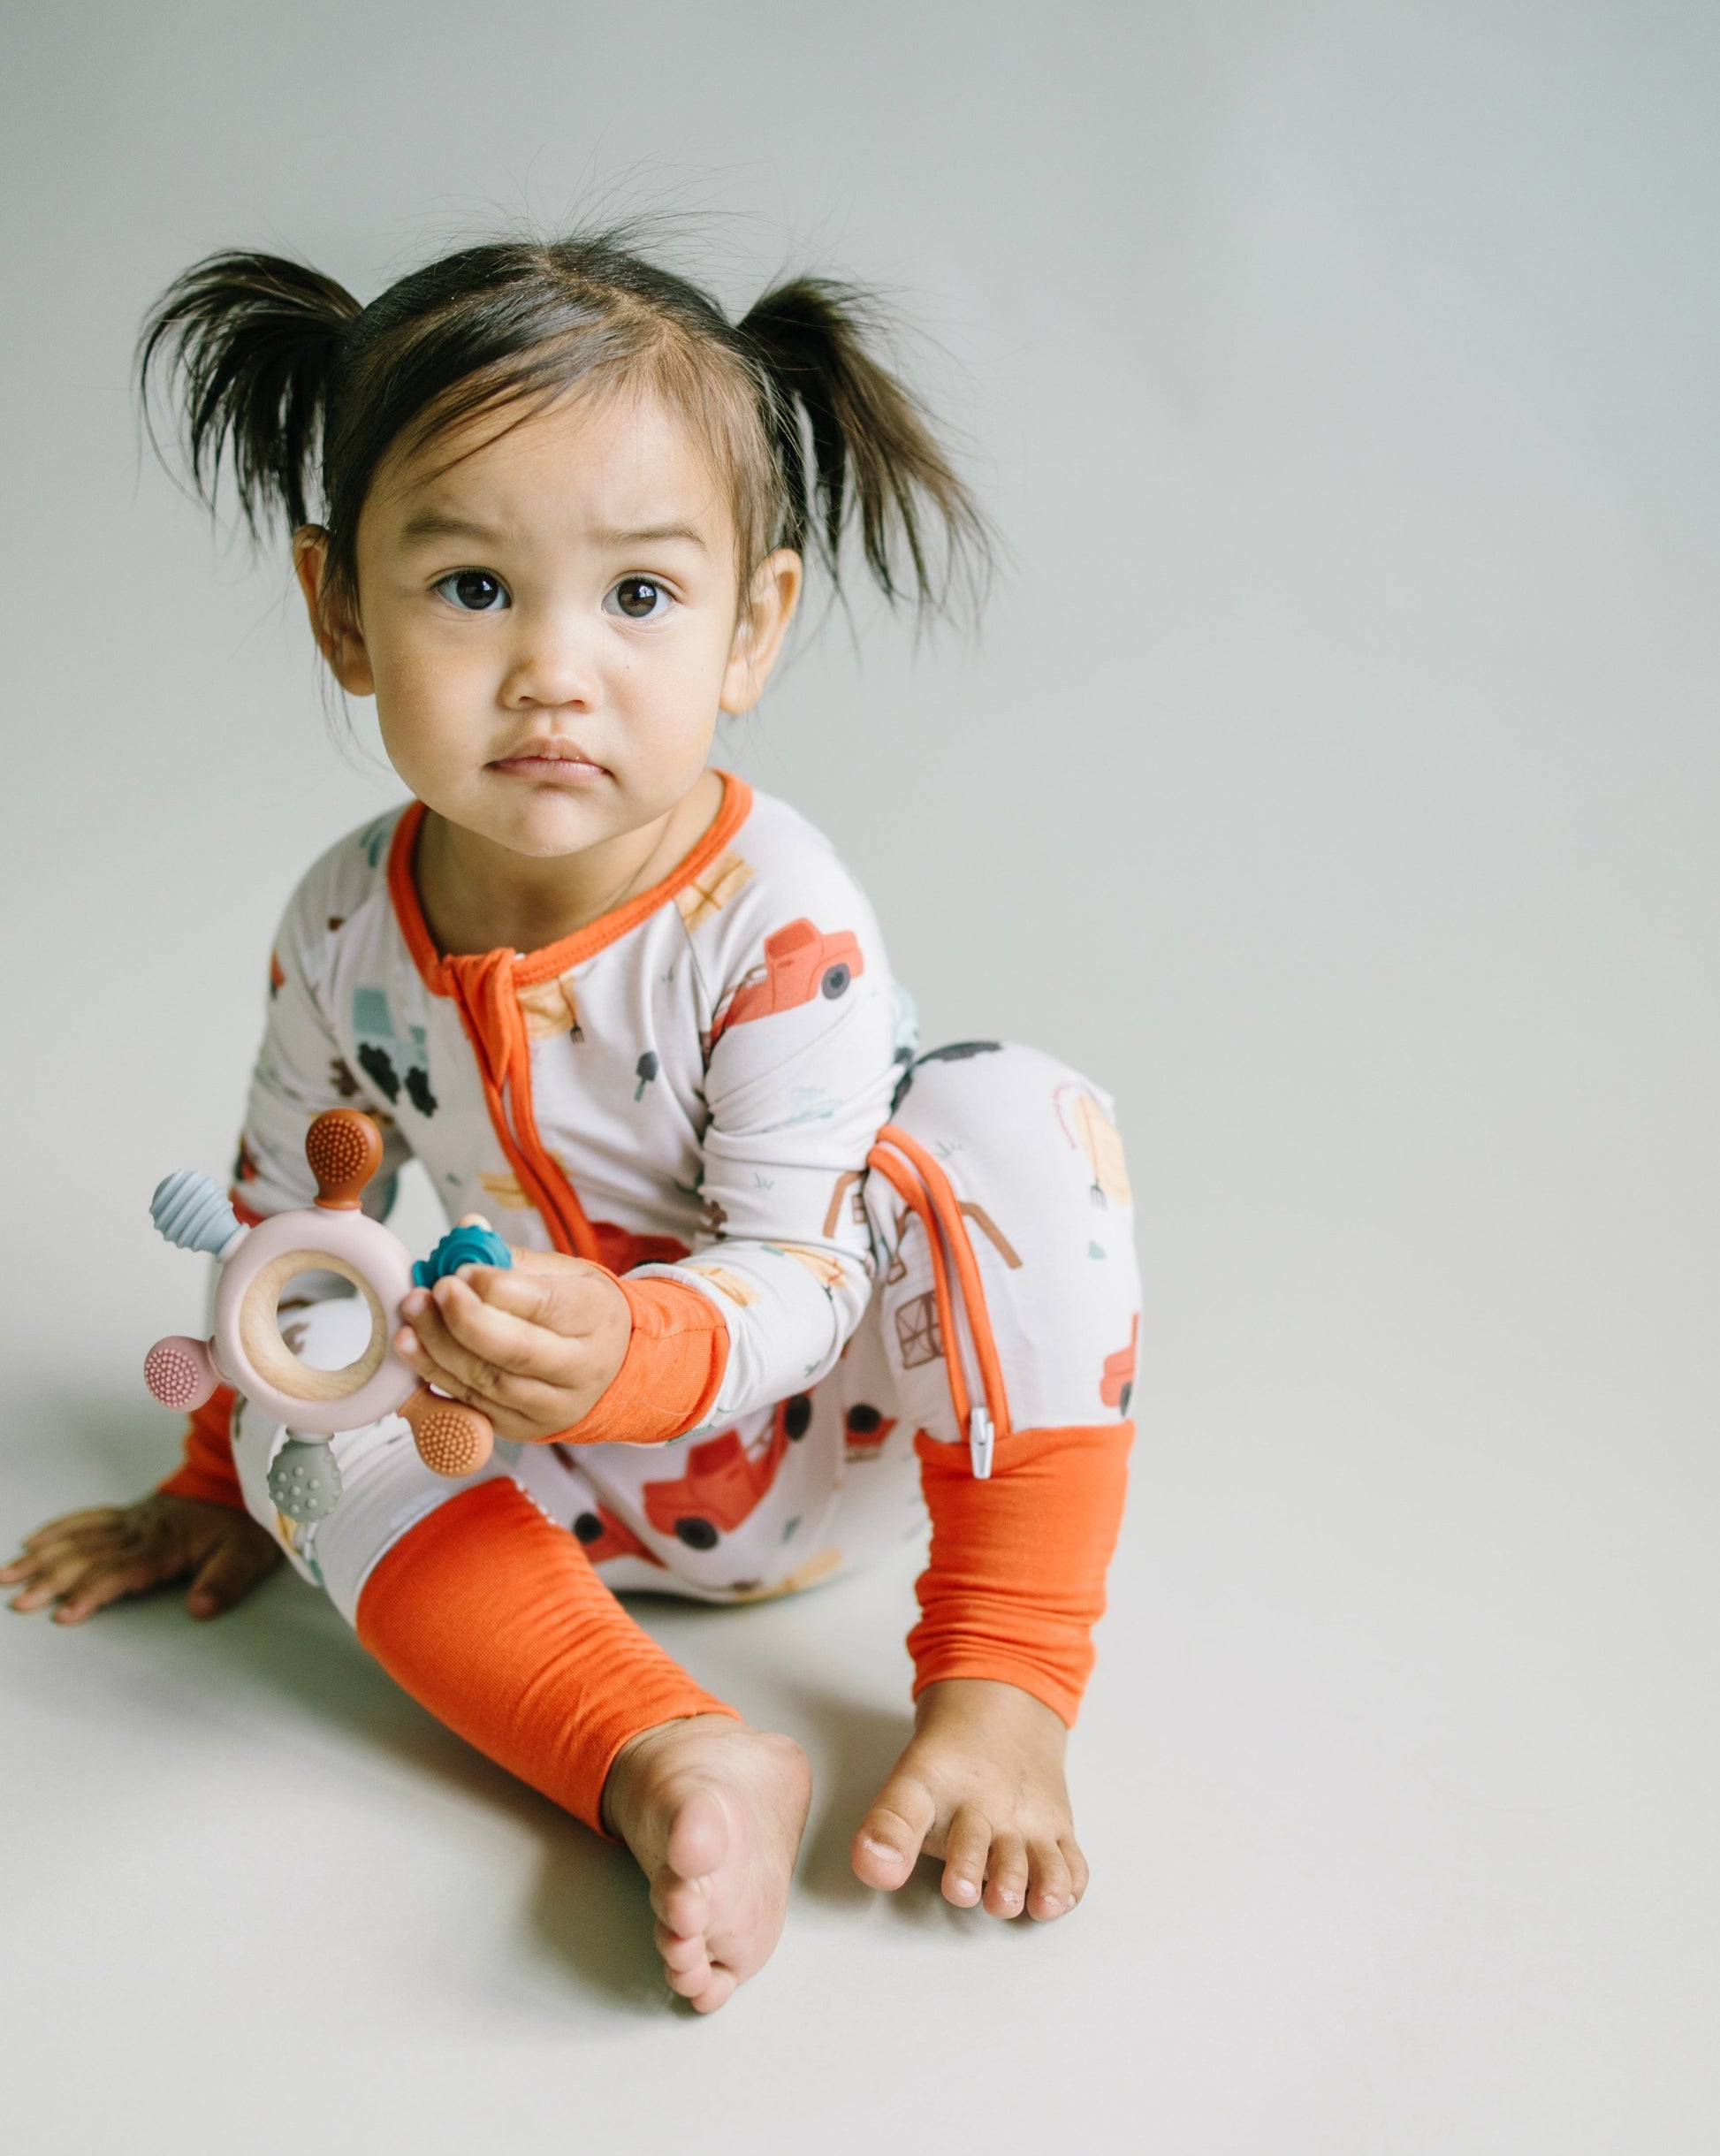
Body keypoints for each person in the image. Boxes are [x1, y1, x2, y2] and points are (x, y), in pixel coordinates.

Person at [2, 232, 1139, 2013]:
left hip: (809, 1429)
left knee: (1012, 1118)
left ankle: (1004, 1686)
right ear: (338, 610)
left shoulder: (774, 919)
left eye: (635, 597)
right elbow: (277, 1215)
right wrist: (223, 1477)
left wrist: (633, 1341)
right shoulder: (338, 917)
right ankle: (663, 1755)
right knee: (298, 1372)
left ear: (750, 626)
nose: (550, 668)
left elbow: (803, 1271)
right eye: (468, 586)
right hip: (511, 1453)